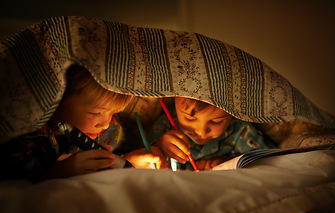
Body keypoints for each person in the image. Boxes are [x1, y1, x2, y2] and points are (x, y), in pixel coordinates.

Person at [0, 65, 167, 182]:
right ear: (57, 100)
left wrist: (125, 160)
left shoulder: (105, 131)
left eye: (113, 113)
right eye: (95, 113)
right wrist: (60, 172)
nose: (105, 123)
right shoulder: (25, 137)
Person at [148, 97, 276, 170]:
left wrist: (229, 163)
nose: (201, 132)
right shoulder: (164, 128)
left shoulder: (241, 132)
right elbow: (141, 165)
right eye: (190, 118)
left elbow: (269, 165)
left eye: (216, 122)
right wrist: (158, 148)